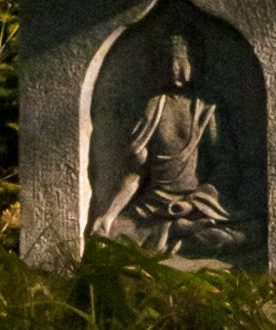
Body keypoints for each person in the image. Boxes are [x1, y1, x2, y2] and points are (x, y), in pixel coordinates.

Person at [90, 32, 250, 259]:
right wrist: (109, 214)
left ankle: (175, 232)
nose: (175, 70)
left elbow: (226, 166)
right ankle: (174, 231)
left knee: (248, 234)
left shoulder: (207, 107)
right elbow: (136, 173)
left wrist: (193, 203)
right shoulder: (154, 107)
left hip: (198, 206)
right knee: (105, 237)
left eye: (181, 62)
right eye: (167, 62)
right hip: (154, 208)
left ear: (195, 63)